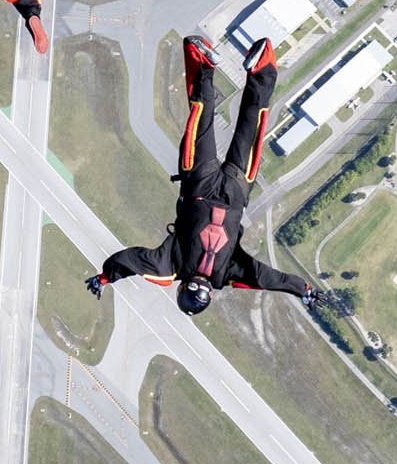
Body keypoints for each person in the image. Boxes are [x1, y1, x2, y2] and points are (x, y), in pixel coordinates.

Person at [87, 37, 318, 315]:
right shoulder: (188, 270)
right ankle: (215, 66)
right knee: (211, 120)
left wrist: (302, 290)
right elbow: (266, 279)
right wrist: (105, 277)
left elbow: (267, 280)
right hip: (212, 184)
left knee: (241, 127)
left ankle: (247, 69)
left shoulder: (197, 271)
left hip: (225, 188)